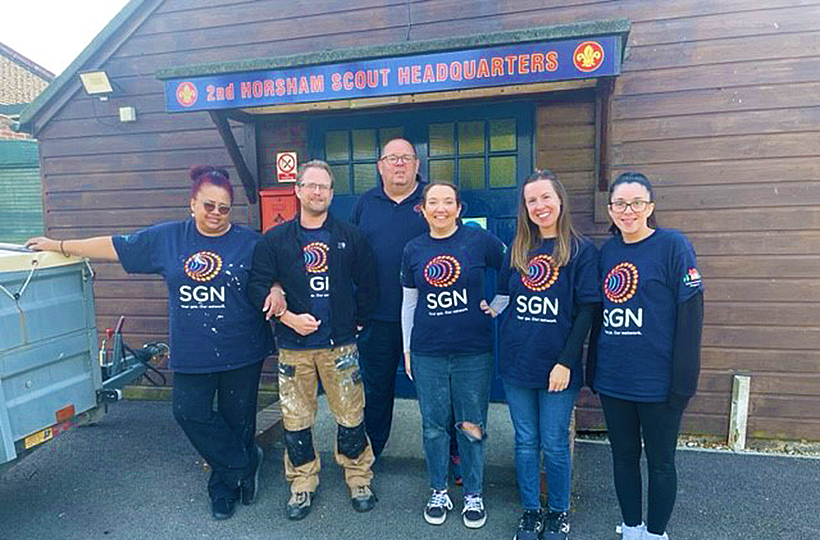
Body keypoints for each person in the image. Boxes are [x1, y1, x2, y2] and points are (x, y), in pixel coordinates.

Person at [25, 166, 273, 521]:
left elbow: (274, 276)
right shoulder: (168, 239)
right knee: (188, 412)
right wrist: (61, 246)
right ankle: (246, 464)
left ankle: (225, 488)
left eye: (223, 208)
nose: (216, 214)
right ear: (192, 204)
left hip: (242, 348)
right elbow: (115, 247)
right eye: (208, 205)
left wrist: (277, 289)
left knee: (239, 421)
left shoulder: (250, 242)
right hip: (193, 351)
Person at [248, 160, 378, 521]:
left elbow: (368, 283)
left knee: (351, 415)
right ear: (298, 190)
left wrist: (358, 323)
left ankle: (358, 478)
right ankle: (302, 483)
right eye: (311, 185)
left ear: (332, 193)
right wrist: (287, 317)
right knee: (296, 419)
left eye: (324, 186)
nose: (317, 192)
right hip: (293, 347)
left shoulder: (350, 236)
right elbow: (258, 283)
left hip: (339, 346)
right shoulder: (275, 239)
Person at [482, 170, 600, 540]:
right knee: (525, 441)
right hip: (518, 361)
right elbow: (504, 294)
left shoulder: (580, 251)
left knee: (553, 443)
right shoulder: (517, 249)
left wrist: (566, 361)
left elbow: (587, 311)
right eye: (532, 200)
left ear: (560, 201)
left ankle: (559, 512)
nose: (539, 206)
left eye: (545, 198)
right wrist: (493, 309)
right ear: (525, 208)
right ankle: (532, 511)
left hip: (557, 367)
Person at [586, 172, 704, 540]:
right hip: (615, 379)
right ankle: (632, 527)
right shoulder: (607, 253)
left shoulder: (673, 246)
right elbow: (598, 314)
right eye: (620, 203)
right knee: (622, 458)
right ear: (610, 209)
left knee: (661, 462)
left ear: (650, 207)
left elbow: (691, 316)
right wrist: (593, 370)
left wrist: (684, 380)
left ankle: (654, 534)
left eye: (637, 203)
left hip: (659, 383)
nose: (628, 211)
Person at [400, 182, 505, 529]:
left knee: (472, 425)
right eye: (433, 202)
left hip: (473, 351)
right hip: (428, 351)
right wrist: (407, 348)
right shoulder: (413, 248)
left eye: (448, 202)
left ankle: (473, 493)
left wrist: (498, 305)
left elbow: (511, 265)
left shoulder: (478, 241)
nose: (440, 208)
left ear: (459, 208)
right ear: (424, 209)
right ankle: (438, 490)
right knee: (433, 428)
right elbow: (409, 302)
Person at [349, 137, 429, 460]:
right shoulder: (365, 204)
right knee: (377, 391)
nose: (399, 163)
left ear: (417, 165)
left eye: (406, 158)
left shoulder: (432, 199)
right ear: (380, 166)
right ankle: (370, 456)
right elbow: (348, 258)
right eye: (392, 158)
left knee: (436, 394)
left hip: (428, 320)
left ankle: (450, 456)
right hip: (377, 319)